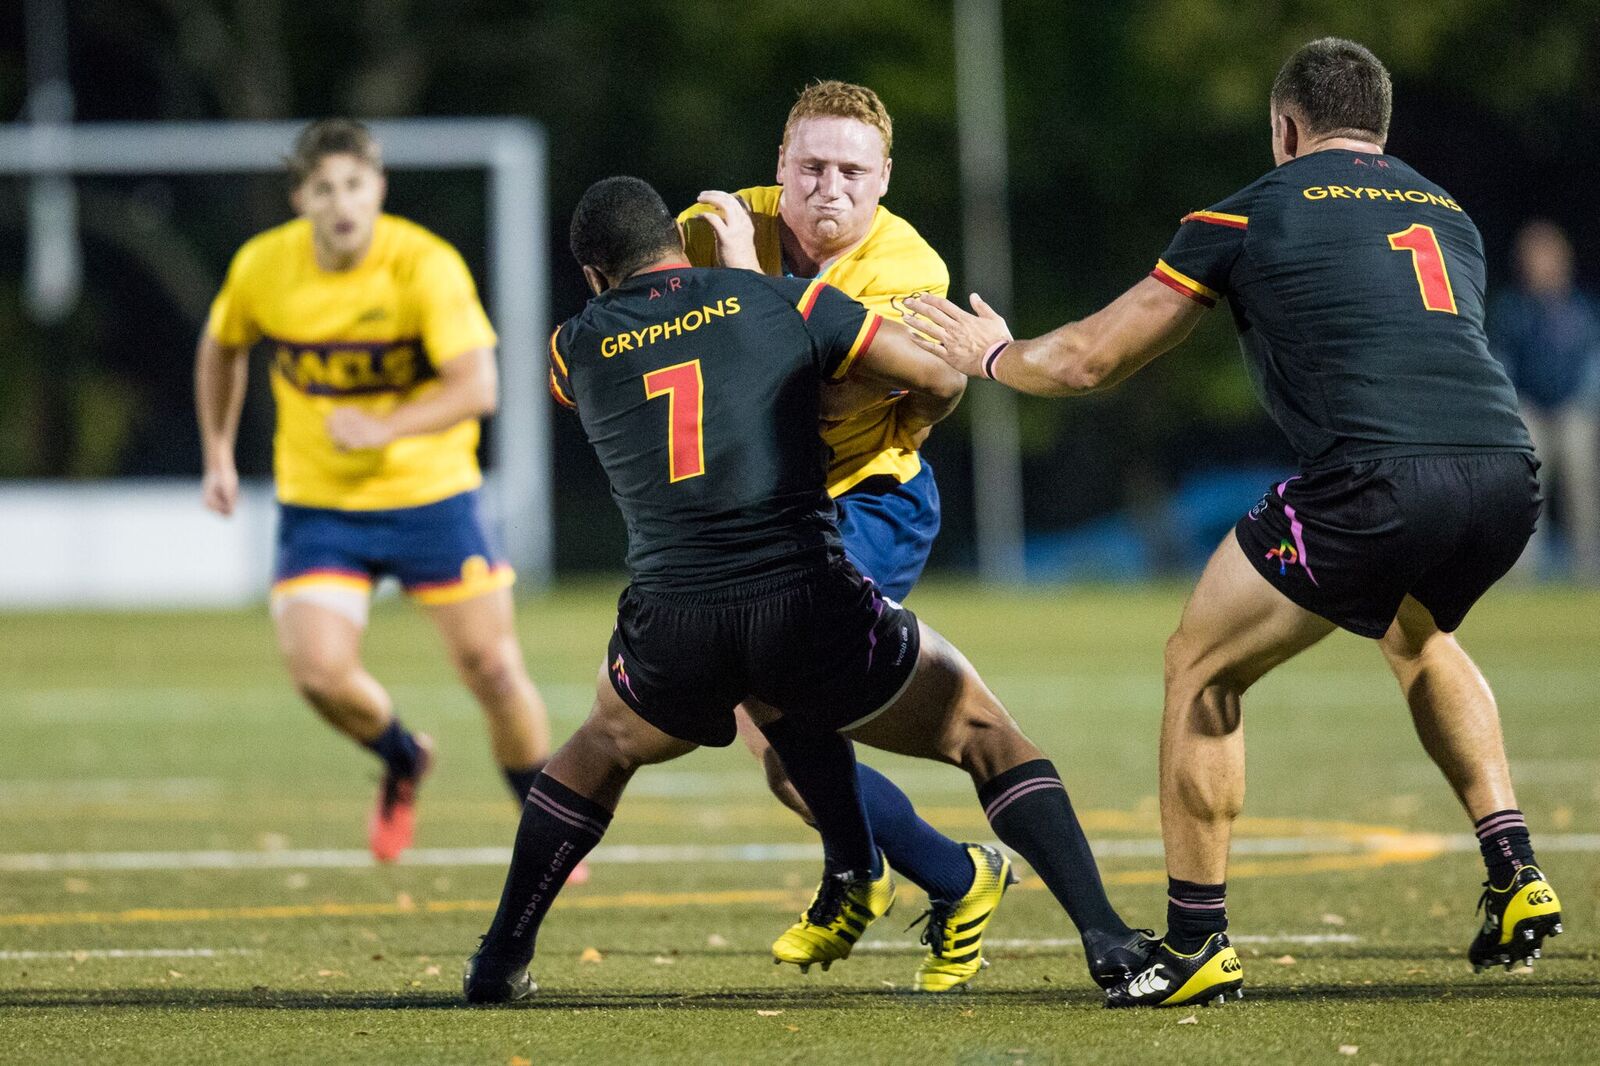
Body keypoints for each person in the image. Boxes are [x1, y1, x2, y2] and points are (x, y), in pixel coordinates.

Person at [907, 38, 1564, 1008]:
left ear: (1283, 128)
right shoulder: (1447, 213)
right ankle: (1513, 868)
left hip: (1377, 481)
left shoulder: (1249, 208)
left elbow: (1091, 358)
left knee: (1199, 663)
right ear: (1377, 129)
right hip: (1506, 475)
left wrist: (992, 354)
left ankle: (1195, 941)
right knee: (1416, 633)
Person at [462, 175, 1153, 1003]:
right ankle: (1111, 944)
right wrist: (816, 383)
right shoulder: (790, 302)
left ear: (594, 276)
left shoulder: (572, 345)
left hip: (674, 620)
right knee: (982, 733)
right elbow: (936, 378)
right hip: (805, 599)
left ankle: (500, 959)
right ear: (683, 246)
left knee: (598, 750)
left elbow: (647, 384)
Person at [677, 81, 1145, 991]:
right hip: (768, 518)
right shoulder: (713, 228)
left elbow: (781, 382)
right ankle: (933, 875)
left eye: (852, 171)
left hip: (867, 505)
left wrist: (741, 288)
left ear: (884, 179)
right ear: (780, 165)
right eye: (811, 166)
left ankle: (886, 874)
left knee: (821, 702)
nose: (829, 189)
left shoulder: (906, 269)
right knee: (778, 748)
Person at [195, 119, 564, 870]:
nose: (342, 203)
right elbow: (222, 346)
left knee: (493, 669)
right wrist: (218, 453)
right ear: (300, 197)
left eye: (355, 185)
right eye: (324, 188)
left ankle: (549, 825)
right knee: (319, 674)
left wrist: (384, 425)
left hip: (433, 497)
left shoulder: (423, 265)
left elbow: (478, 386)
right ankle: (403, 756)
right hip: (321, 503)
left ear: (378, 188)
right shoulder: (263, 267)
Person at [1490, 220, 1600, 581]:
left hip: (1572, 410)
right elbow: (1499, 364)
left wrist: (1583, 401)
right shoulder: (1511, 309)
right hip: (1529, 410)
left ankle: (1589, 563)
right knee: (1527, 457)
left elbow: (1593, 365)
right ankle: (1523, 567)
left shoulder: (1581, 308)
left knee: (1578, 447)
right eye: (1535, 256)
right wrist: (1516, 405)